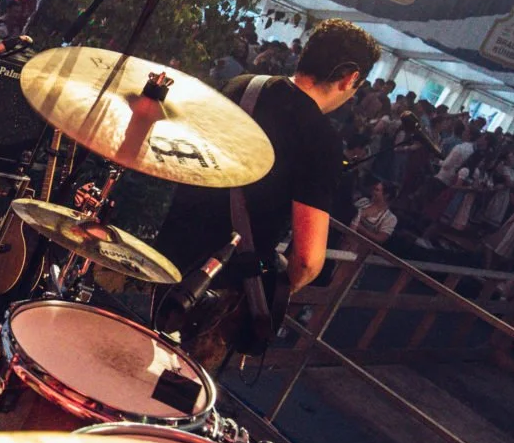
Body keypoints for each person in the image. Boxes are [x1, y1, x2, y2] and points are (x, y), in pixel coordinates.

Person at [151, 20, 380, 365]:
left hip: (167, 254)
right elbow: (307, 260)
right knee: (171, 391)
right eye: (356, 86)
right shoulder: (321, 141)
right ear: (349, 77)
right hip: (221, 289)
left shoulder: (241, 86)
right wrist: (266, 287)